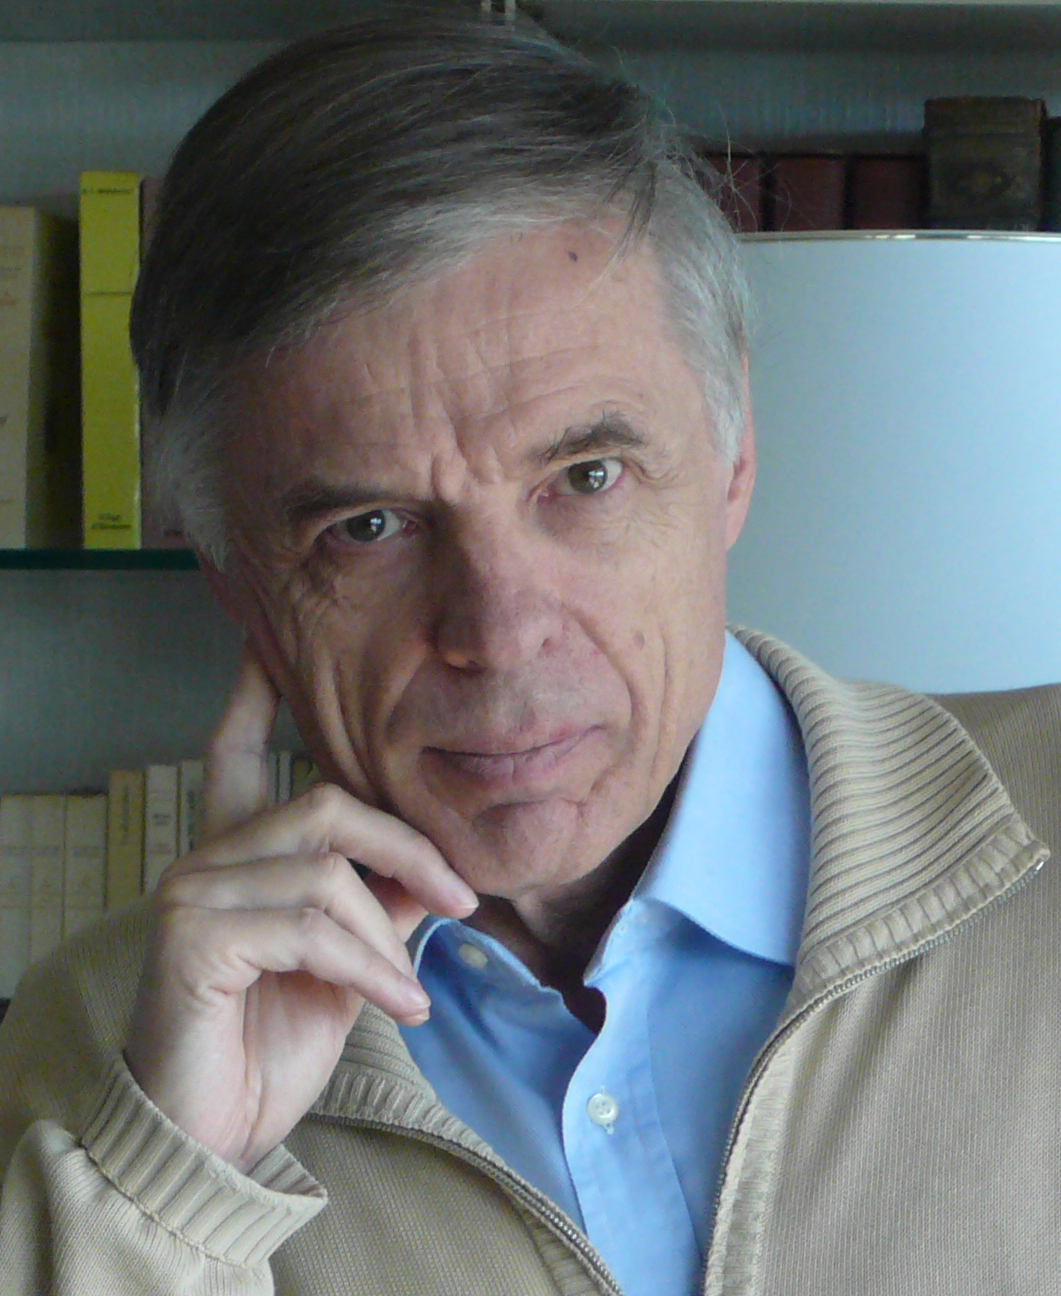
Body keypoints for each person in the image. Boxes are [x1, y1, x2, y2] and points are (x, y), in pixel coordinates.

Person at [2, 15, 1060, 1296]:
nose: (499, 635)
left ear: (731, 451)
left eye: (586, 476)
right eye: (369, 527)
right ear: (235, 581)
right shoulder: (94, 1048)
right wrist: (167, 1193)